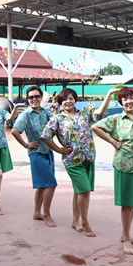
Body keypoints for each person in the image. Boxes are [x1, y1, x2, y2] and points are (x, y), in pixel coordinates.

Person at [92, 87, 133, 255]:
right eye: (125, 99)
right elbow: (96, 127)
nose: (129, 101)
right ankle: (126, 238)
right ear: (120, 102)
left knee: (132, 202)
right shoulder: (116, 119)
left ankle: (125, 234)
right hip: (124, 164)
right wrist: (113, 142)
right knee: (126, 204)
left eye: (132, 98)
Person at [40, 88, 106, 237]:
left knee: (79, 191)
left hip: (88, 157)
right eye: (64, 99)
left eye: (71, 98)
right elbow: (45, 136)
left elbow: (100, 113)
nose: (68, 101)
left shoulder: (84, 114)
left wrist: (108, 95)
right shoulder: (57, 119)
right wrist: (58, 149)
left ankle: (75, 220)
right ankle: (85, 222)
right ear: (60, 103)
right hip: (72, 160)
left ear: (75, 100)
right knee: (84, 190)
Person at [12, 86, 57, 227]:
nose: (34, 99)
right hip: (36, 153)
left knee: (42, 186)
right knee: (51, 184)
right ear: (27, 99)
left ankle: (37, 212)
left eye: (36, 96)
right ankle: (46, 214)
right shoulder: (26, 115)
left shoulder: (46, 112)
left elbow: (56, 124)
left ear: (41, 97)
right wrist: (26, 145)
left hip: (48, 151)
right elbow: (14, 131)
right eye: (31, 97)